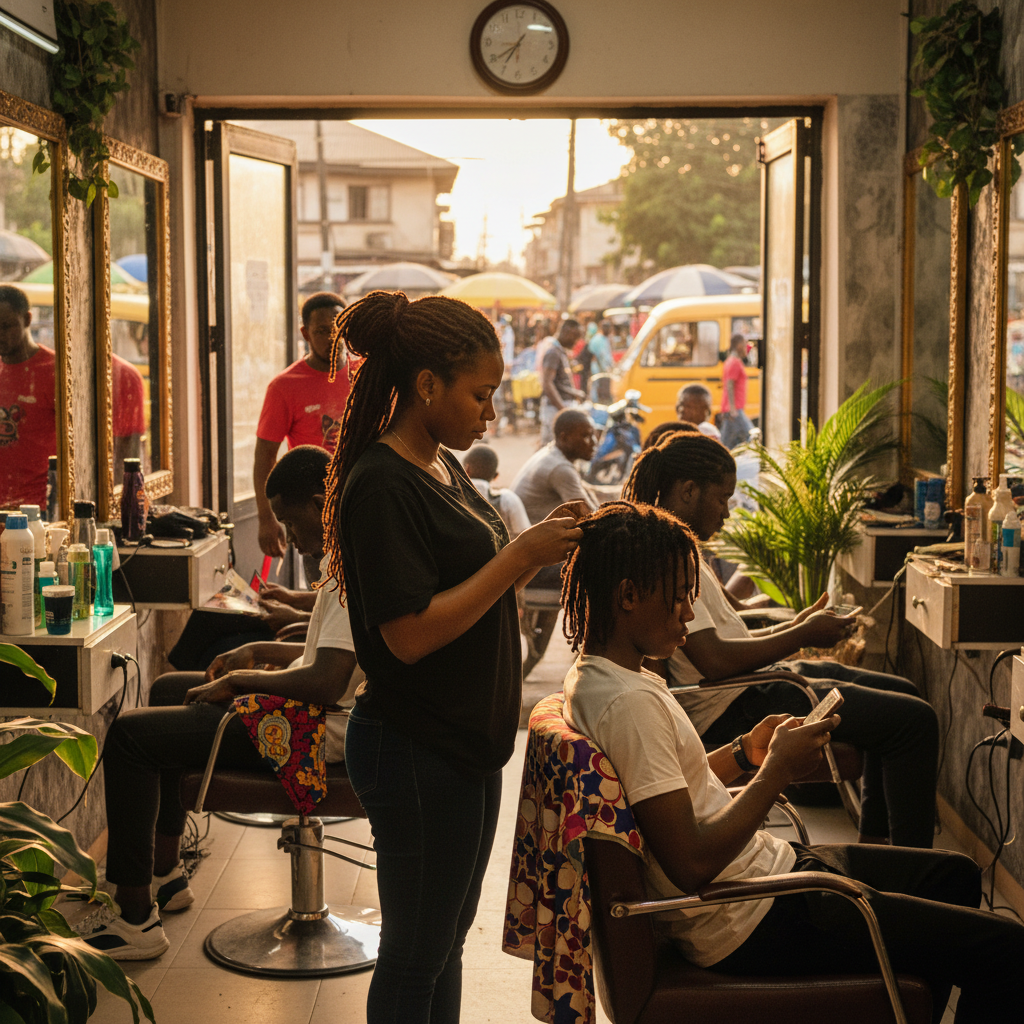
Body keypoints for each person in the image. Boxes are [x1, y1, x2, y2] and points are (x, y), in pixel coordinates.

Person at [561, 501, 1024, 1024]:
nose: (690, 614)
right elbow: (690, 865)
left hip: (765, 876)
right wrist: (776, 770)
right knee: (1008, 950)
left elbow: (664, 794)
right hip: (753, 919)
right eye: (678, 600)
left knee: (956, 875)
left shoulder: (605, 679)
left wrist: (743, 754)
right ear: (628, 595)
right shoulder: (629, 705)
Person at [322, 289, 585, 1024]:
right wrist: (520, 555)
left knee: (443, 946)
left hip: (460, 744)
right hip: (415, 748)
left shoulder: (440, 464)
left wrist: (541, 546)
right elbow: (407, 636)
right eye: (481, 394)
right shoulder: (381, 483)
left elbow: (471, 577)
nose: (492, 413)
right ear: (426, 386)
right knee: (413, 956)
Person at [79, 445, 362, 960]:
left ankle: (133, 917)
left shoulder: (353, 567)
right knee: (168, 691)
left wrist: (244, 683)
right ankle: (166, 876)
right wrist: (255, 650)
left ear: (322, 502)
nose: (288, 537)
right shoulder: (347, 555)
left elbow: (326, 680)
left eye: (290, 521)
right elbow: (326, 650)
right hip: (314, 715)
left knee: (129, 738)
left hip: (319, 733)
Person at [622, 431, 939, 848]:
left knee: (902, 693)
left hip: (755, 682)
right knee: (915, 722)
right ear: (687, 491)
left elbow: (727, 631)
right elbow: (714, 660)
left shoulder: (683, 548)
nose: (728, 512)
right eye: (722, 498)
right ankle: (910, 865)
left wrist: (799, 625)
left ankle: (878, 845)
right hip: (731, 703)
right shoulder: (671, 556)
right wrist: (801, 636)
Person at [254, 291, 348, 558]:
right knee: (321, 596)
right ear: (305, 334)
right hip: (314, 519)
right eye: (322, 331)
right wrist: (266, 518)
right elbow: (265, 457)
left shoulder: (363, 374)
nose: (333, 338)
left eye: (338, 329)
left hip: (359, 506)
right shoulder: (284, 387)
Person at [0, 284, 56, 509]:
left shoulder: (53, 371)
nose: (0, 334)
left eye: (6, 326)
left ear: (27, 319)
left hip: (37, 510)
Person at [510, 407, 599, 525]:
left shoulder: (552, 453)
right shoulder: (560, 469)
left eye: (593, 435)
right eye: (586, 436)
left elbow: (585, 490)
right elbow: (591, 517)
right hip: (532, 536)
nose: (594, 442)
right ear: (564, 438)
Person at [462, 442, 530, 539]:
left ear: (466, 469)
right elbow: (525, 534)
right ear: (496, 476)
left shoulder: (450, 494)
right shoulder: (508, 500)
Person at [539, 318, 584, 445]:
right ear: (566, 332)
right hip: (554, 410)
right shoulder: (553, 352)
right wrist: (563, 410)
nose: (577, 341)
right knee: (551, 448)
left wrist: (574, 393)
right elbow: (547, 383)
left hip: (558, 408)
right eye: (576, 336)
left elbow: (557, 383)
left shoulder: (559, 351)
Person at [720, 333, 752, 448]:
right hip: (734, 410)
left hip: (732, 409)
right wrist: (733, 408)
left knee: (726, 443)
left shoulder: (732, 361)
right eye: (744, 345)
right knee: (752, 436)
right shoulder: (734, 362)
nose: (746, 349)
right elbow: (729, 384)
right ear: (738, 346)